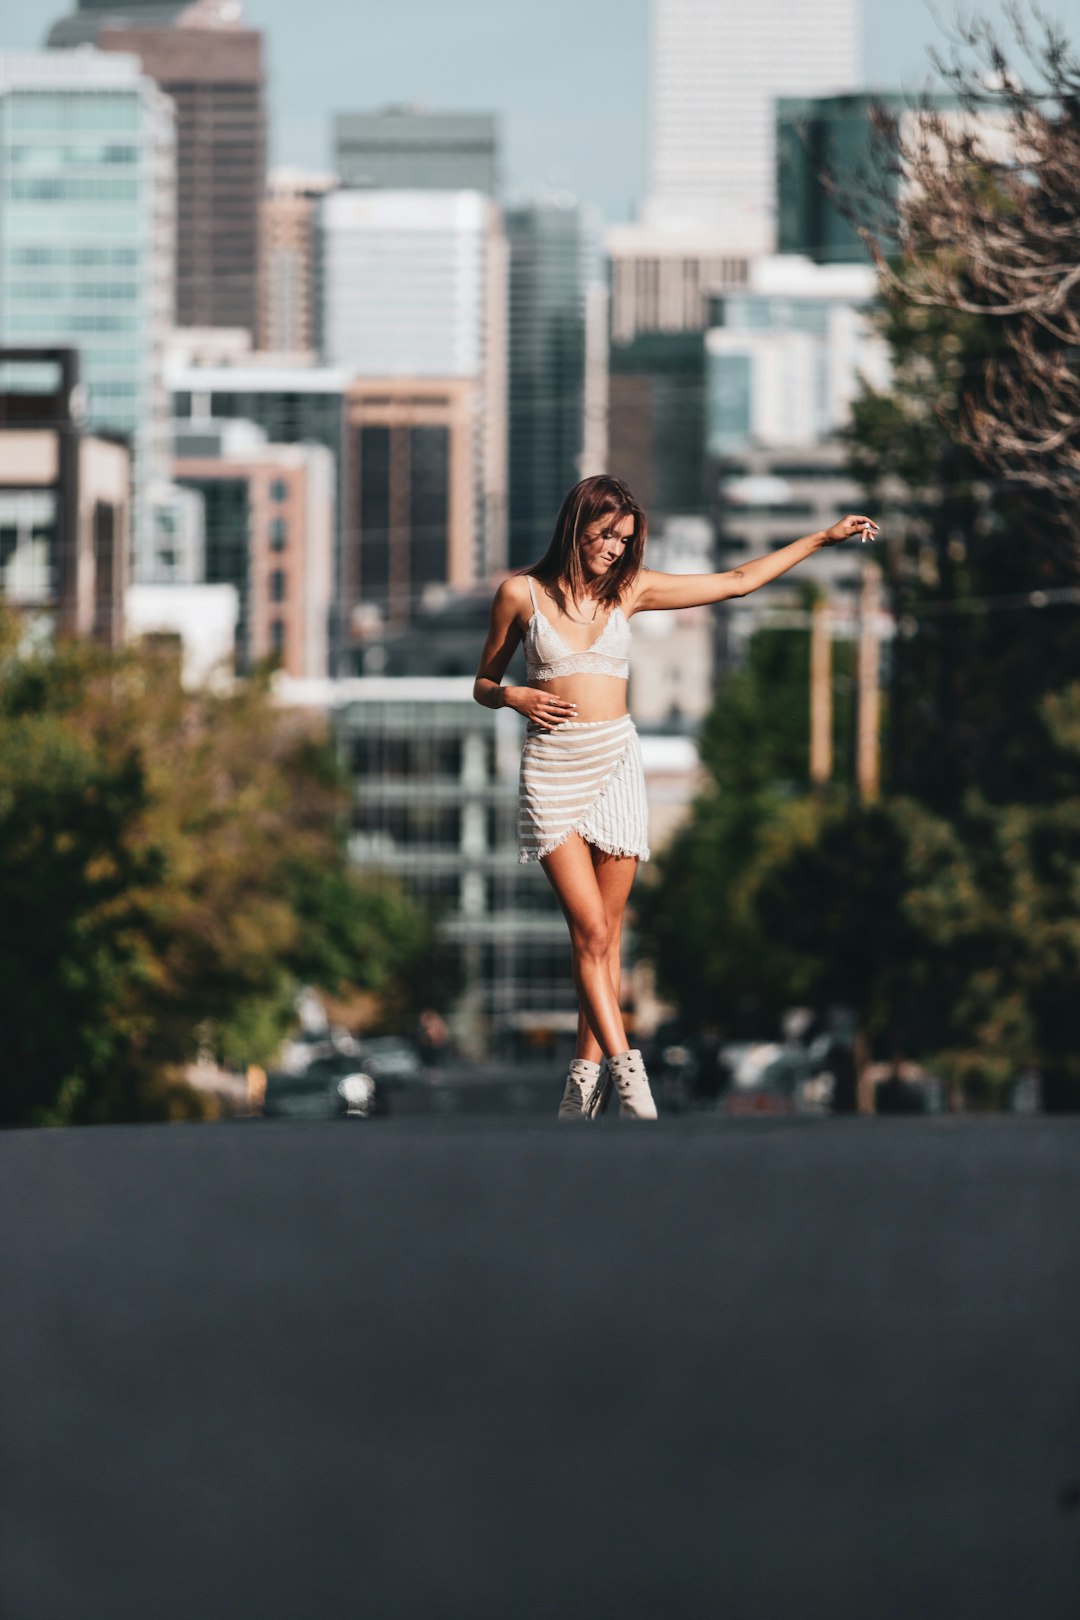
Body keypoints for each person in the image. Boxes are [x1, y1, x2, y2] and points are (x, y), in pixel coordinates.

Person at [473, 475, 877, 1122]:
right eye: (606, 536)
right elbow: (484, 683)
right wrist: (513, 695)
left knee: (607, 941)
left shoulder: (630, 590)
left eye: (625, 540)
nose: (614, 549)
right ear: (577, 526)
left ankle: (583, 1078)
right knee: (590, 931)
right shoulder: (520, 593)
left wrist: (821, 538)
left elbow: (737, 580)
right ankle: (630, 1078)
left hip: (616, 763)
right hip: (552, 768)